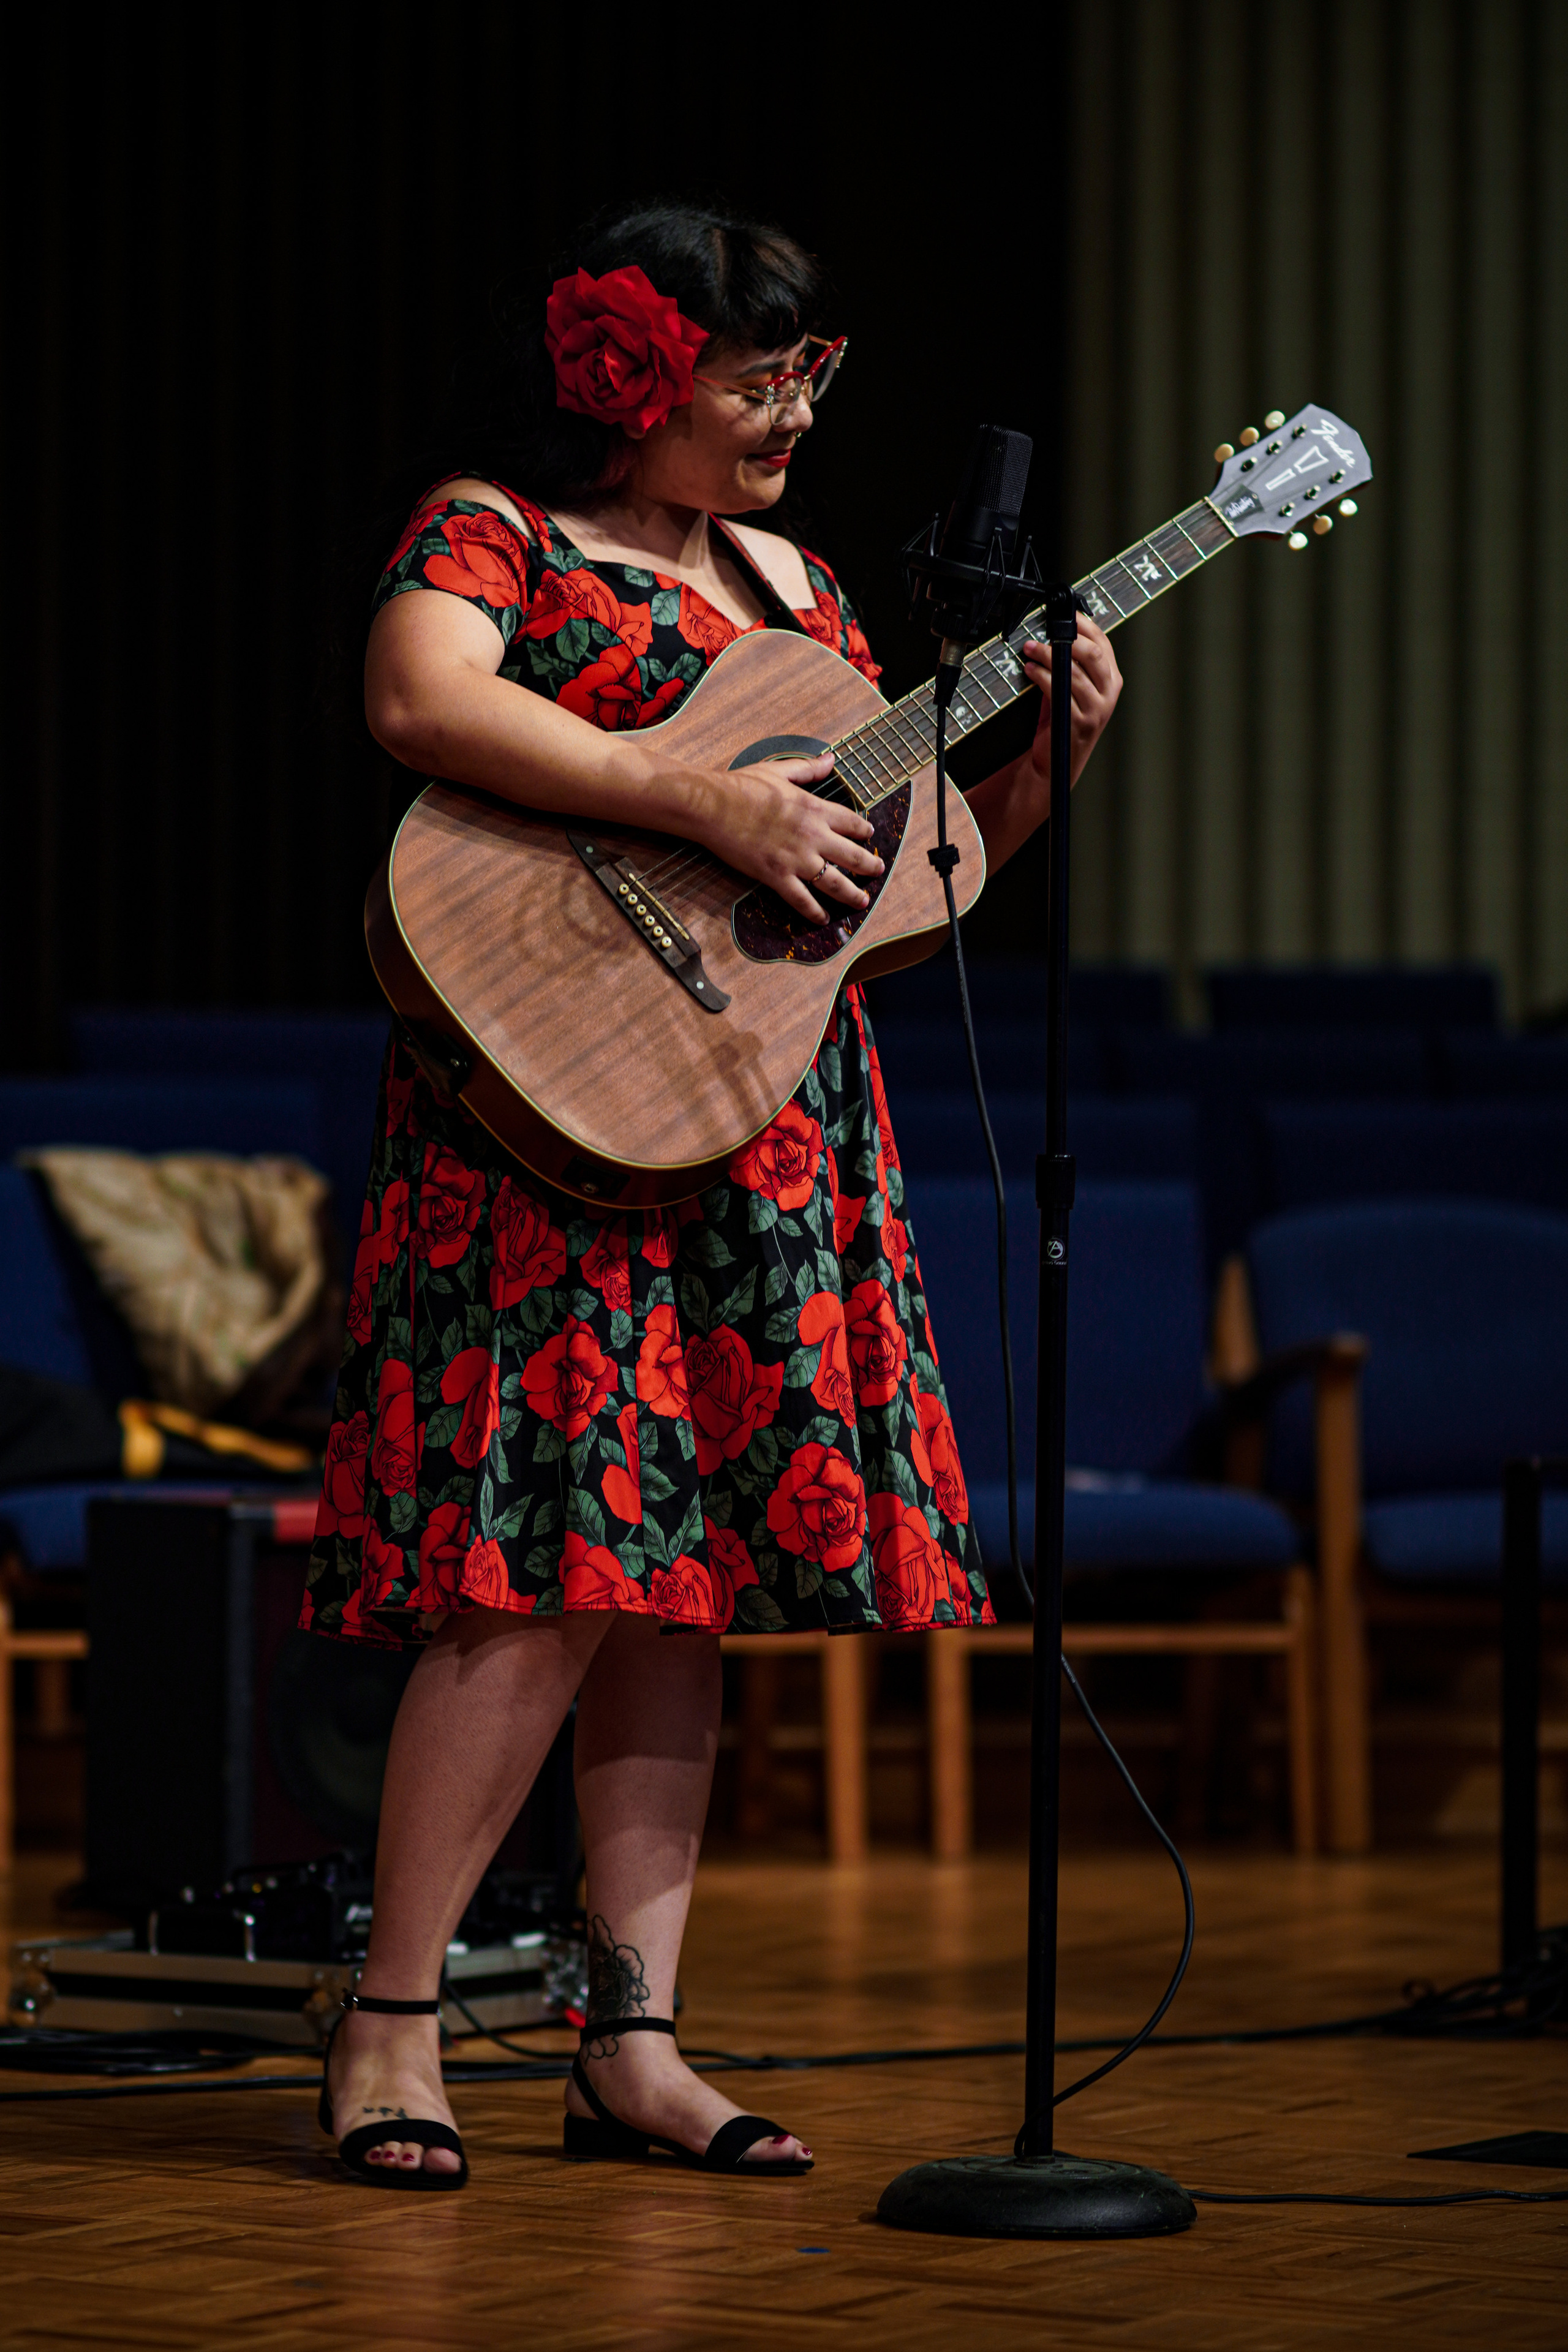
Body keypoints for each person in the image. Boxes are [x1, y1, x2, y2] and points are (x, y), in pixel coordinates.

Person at [303, 202, 1123, 2190]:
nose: (789, 412)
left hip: (760, 1124)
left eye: (806, 375)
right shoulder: (495, 530)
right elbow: (420, 704)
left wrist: (1029, 781)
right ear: (624, 378)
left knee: (686, 1588)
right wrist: (702, 793)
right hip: (543, 1130)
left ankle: (632, 2042)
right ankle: (390, 2023)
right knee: (540, 1575)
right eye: (754, 377)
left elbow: (873, 915)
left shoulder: (809, 588)